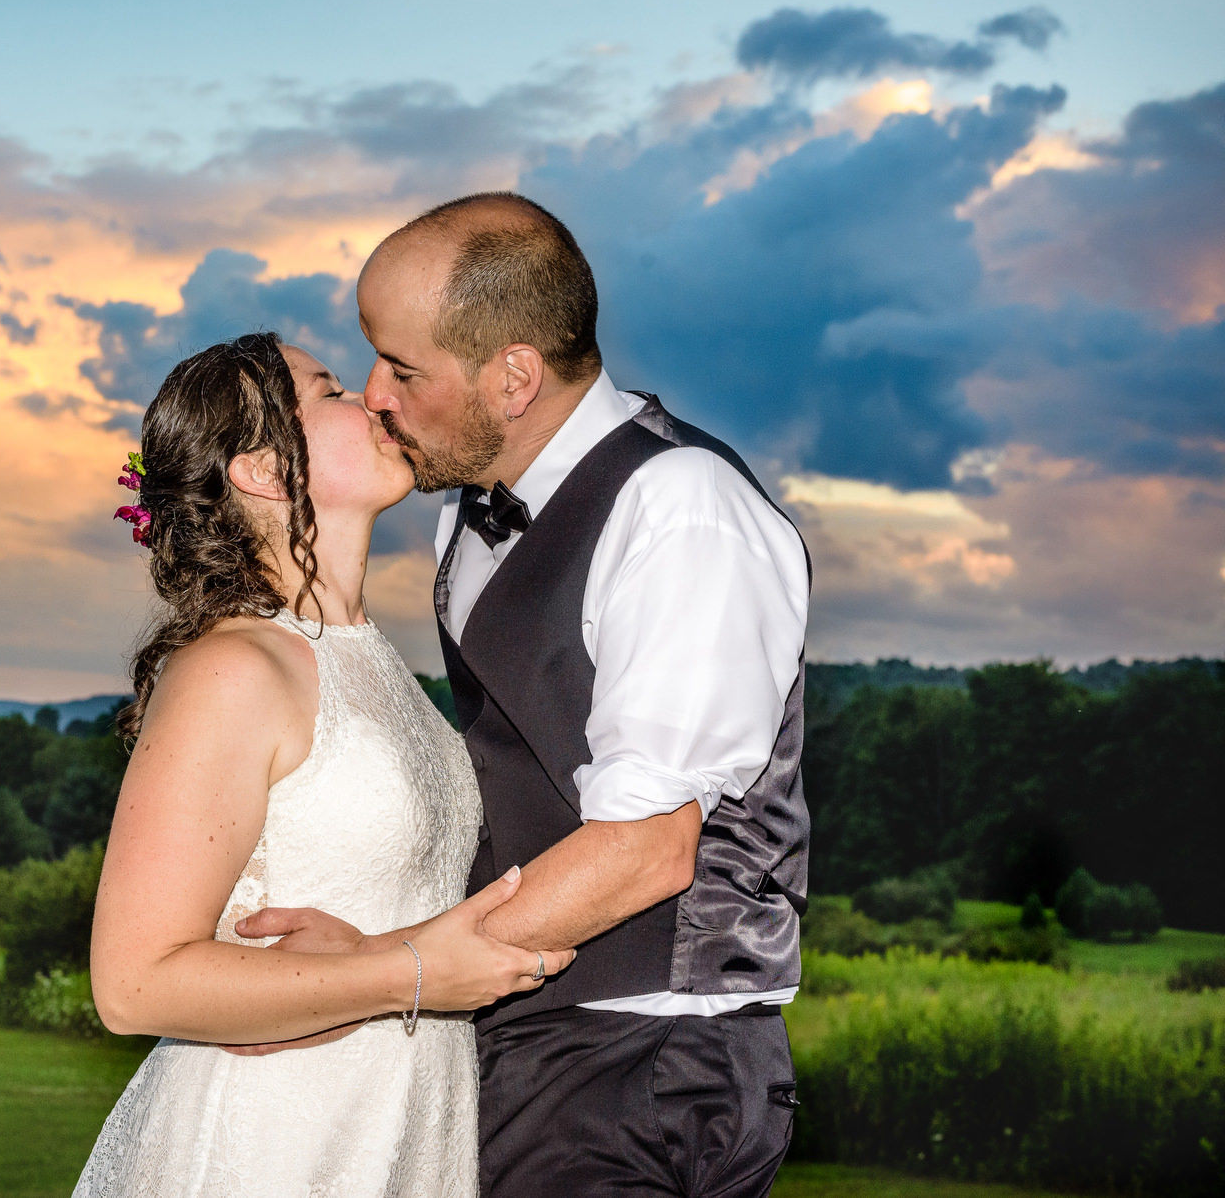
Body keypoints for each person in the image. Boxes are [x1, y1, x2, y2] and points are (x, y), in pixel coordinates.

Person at [234, 192, 813, 1197]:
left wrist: (386, 965)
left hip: (645, 1060)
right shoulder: (468, 509)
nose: (373, 394)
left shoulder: (680, 510)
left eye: (404, 369)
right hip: (527, 1035)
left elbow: (646, 846)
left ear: (513, 375)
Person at [72, 331, 575, 1198]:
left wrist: (396, 958)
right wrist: (411, 974)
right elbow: (133, 980)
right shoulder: (235, 669)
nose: (378, 396)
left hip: (399, 1116)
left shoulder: (369, 661)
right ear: (261, 471)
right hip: (274, 1139)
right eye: (332, 390)